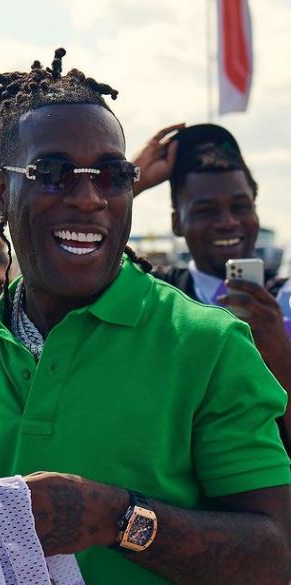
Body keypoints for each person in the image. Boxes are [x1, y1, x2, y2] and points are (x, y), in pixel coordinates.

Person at [0, 49, 291, 585]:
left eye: (112, 175)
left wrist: (118, 519)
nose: (88, 198)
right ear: (2, 190)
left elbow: (275, 555)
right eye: (53, 173)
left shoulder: (209, 344)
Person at [133, 123, 291, 449]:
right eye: (205, 210)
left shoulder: (285, 301)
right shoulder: (153, 296)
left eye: (240, 206)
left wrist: (280, 355)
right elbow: (78, 260)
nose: (228, 221)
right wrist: (131, 182)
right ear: (177, 222)